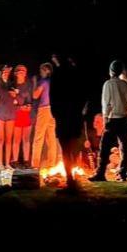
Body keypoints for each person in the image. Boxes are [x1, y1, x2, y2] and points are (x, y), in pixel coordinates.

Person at [89, 61, 127, 182]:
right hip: (124, 118)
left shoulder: (108, 84)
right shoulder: (125, 84)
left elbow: (105, 103)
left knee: (104, 146)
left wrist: (105, 118)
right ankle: (122, 173)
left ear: (111, 71)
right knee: (123, 146)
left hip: (112, 119)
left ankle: (100, 173)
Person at [50, 52, 87, 190]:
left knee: (65, 148)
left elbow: (53, 95)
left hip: (63, 115)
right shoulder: (75, 73)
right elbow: (83, 94)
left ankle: (70, 179)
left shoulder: (57, 74)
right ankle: (72, 178)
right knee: (72, 147)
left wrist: (55, 113)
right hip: (74, 115)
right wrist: (79, 110)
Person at [31, 61, 58, 169]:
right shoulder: (54, 81)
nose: (40, 72)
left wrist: (34, 83)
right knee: (51, 138)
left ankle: (35, 165)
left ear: (47, 70)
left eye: (41, 70)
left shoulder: (44, 82)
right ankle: (52, 164)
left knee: (38, 137)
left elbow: (35, 95)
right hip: (53, 110)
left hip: (44, 109)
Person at [0, 63, 17, 169]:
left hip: (10, 113)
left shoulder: (11, 84)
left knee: (9, 140)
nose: (6, 73)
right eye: (4, 71)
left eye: (8, 71)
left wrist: (15, 94)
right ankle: (0, 164)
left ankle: (7, 163)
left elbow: (16, 95)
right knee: (0, 139)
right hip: (0, 113)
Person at [11, 64, 33, 166]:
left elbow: (30, 99)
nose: (22, 73)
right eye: (19, 71)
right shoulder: (13, 86)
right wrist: (19, 107)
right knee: (16, 138)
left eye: (24, 71)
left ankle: (26, 160)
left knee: (26, 139)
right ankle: (15, 160)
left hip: (27, 114)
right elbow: (11, 101)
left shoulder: (28, 85)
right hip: (16, 114)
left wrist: (29, 105)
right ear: (16, 73)